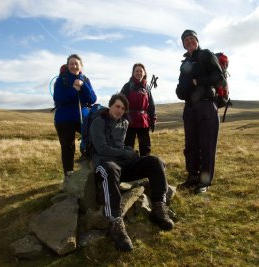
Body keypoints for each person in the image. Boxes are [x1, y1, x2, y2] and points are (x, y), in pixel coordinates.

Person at [90, 93, 174, 251]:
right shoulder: (98, 122)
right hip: (103, 164)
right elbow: (101, 149)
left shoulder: (124, 123)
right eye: (117, 106)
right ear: (110, 106)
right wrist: (124, 153)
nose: (119, 110)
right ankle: (116, 222)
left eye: (122, 108)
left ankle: (159, 207)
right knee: (110, 169)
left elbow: (120, 146)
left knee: (154, 161)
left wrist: (128, 151)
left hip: (121, 165)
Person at [175, 29, 224, 194]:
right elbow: (180, 91)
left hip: (206, 106)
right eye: (185, 40)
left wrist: (198, 81)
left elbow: (219, 77)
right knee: (190, 146)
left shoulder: (206, 55)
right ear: (183, 44)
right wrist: (183, 89)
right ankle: (192, 177)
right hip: (189, 108)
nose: (189, 42)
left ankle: (204, 182)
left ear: (196, 40)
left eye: (191, 39)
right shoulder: (184, 64)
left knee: (207, 145)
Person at [53, 54, 97, 187]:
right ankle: (68, 176)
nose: (74, 65)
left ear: (81, 65)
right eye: (71, 63)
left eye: (76, 63)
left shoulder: (85, 79)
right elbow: (58, 98)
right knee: (68, 147)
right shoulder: (62, 79)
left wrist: (83, 86)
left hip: (83, 118)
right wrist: (74, 89)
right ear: (67, 66)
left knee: (91, 141)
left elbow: (92, 99)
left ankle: (93, 171)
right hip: (64, 119)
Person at [120, 63, 157, 157]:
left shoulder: (147, 87)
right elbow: (120, 102)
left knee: (145, 147)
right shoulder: (127, 86)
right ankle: (128, 166)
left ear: (144, 73)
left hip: (143, 121)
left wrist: (152, 120)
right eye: (136, 71)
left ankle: (145, 165)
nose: (139, 73)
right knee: (128, 145)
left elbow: (151, 105)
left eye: (141, 71)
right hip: (129, 120)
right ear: (133, 73)